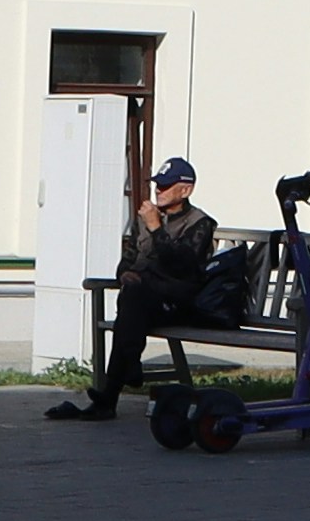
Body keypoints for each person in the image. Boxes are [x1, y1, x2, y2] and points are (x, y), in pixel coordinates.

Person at [46, 159, 221, 420]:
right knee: (132, 297)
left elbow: (182, 265)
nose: (158, 191)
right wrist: (124, 274)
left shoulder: (200, 224)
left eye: (165, 186)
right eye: (157, 186)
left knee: (131, 306)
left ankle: (110, 395)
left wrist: (155, 228)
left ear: (185, 190)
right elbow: (128, 257)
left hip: (179, 303)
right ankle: (128, 369)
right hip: (144, 301)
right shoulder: (147, 219)